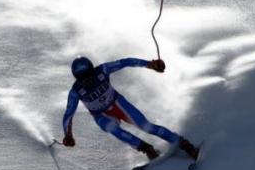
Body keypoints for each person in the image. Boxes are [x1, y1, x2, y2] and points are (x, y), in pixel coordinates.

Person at [62, 56, 199, 161]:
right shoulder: (76, 91)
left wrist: (149, 64)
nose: (88, 81)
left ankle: (182, 143)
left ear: (93, 70)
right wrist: (68, 134)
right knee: (111, 128)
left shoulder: (102, 70)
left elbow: (125, 62)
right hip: (102, 115)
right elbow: (69, 114)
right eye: (83, 79)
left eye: (89, 76)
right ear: (76, 78)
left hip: (118, 104)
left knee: (146, 126)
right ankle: (147, 149)